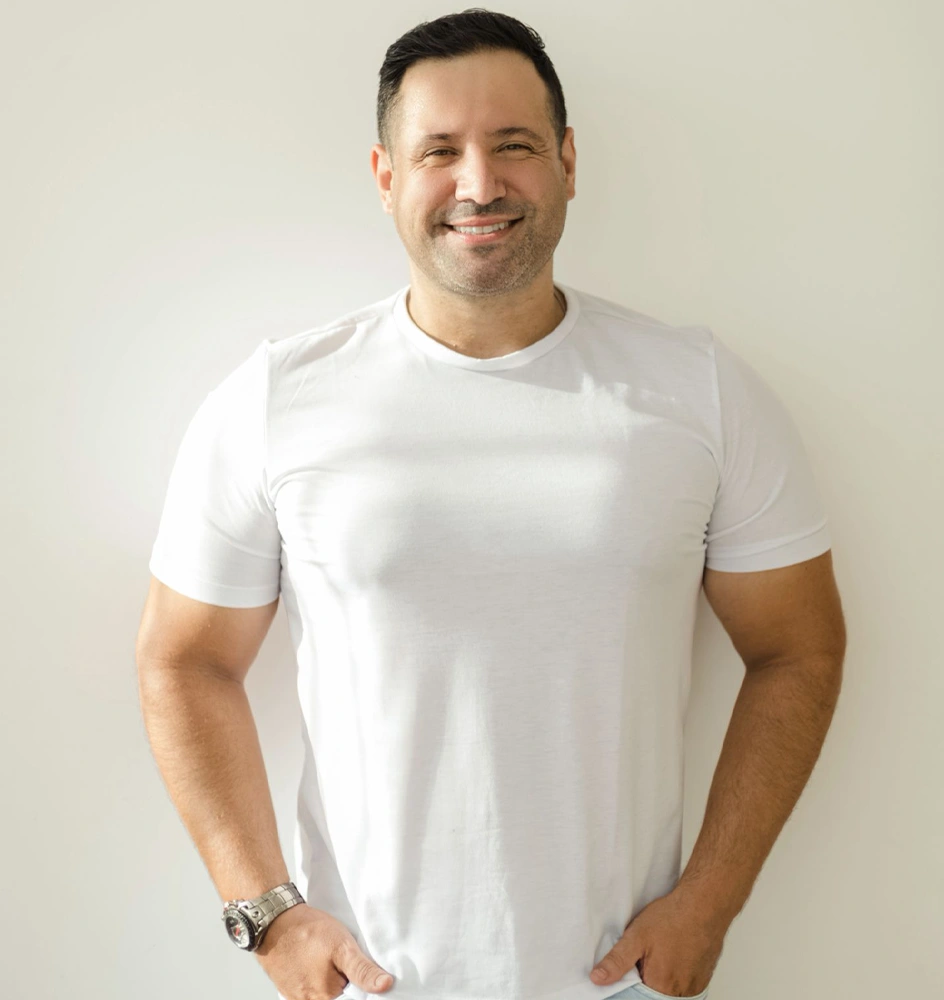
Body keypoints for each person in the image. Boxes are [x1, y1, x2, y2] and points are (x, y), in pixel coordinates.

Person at [135, 9, 847, 1000]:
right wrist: (267, 917)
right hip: (366, 983)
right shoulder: (277, 399)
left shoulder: (699, 391)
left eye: (513, 145)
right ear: (386, 176)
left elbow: (798, 648)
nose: (479, 184)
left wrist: (711, 901)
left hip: (621, 983)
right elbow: (184, 660)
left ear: (566, 161)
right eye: (439, 152)